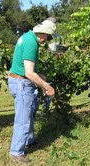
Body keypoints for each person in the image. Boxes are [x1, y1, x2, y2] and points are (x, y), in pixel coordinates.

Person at [8, 17, 56, 163]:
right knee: (23, 118)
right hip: (22, 83)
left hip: (18, 80)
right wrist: (46, 86)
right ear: (43, 33)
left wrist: (43, 77)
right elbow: (29, 73)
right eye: (48, 37)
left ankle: (28, 139)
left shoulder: (27, 37)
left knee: (28, 113)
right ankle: (16, 151)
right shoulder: (31, 43)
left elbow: (28, 68)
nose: (46, 40)